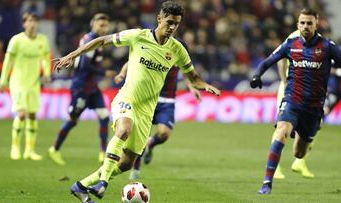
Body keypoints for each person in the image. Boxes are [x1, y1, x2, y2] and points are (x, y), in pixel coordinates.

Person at [53, 1, 220, 202]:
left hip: (146, 111)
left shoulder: (177, 49)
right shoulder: (138, 36)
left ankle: (80, 186)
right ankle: (103, 183)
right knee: (123, 129)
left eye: (176, 23)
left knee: (126, 163)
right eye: (169, 22)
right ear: (159, 19)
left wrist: (204, 85)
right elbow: (102, 40)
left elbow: (193, 77)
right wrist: (73, 54)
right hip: (127, 98)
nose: (172, 27)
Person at [250, 8, 341, 194]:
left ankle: (299, 132)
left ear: (316, 24)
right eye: (302, 23)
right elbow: (268, 61)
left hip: (314, 107)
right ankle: (267, 182)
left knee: (299, 153)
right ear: (297, 24)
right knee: (281, 130)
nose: (306, 26)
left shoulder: (327, 46)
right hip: (292, 99)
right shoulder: (290, 44)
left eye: (309, 23)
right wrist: (257, 75)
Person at [115, 40, 202, 180]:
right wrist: (122, 73)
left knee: (164, 134)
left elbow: (186, 71)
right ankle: (136, 169)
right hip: (148, 99)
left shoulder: (179, 52)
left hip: (168, 101)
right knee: (141, 137)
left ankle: (151, 144)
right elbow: (132, 61)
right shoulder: (153, 48)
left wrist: (192, 87)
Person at [48, 13, 113, 166]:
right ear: (93, 25)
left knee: (104, 116)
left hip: (92, 87)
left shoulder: (99, 41)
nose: (103, 28)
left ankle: (103, 153)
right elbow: (85, 65)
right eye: (100, 25)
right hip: (81, 87)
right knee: (73, 120)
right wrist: (104, 73)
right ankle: (54, 149)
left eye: (105, 25)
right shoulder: (90, 40)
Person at [0, 12, 51, 161]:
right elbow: (8, 60)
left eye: (35, 21)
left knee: (33, 115)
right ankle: (15, 148)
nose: (32, 24)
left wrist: (46, 73)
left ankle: (29, 150)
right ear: (24, 23)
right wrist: (3, 79)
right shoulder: (17, 40)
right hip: (18, 82)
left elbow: (46, 59)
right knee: (21, 114)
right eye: (29, 21)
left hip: (34, 83)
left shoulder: (43, 40)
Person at [273, 31, 314, 180]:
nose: (306, 26)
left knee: (316, 124)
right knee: (282, 126)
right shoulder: (293, 37)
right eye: (304, 22)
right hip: (291, 88)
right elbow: (279, 59)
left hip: (309, 90)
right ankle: (275, 166)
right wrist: (285, 82)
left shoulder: (320, 41)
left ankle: (300, 162)